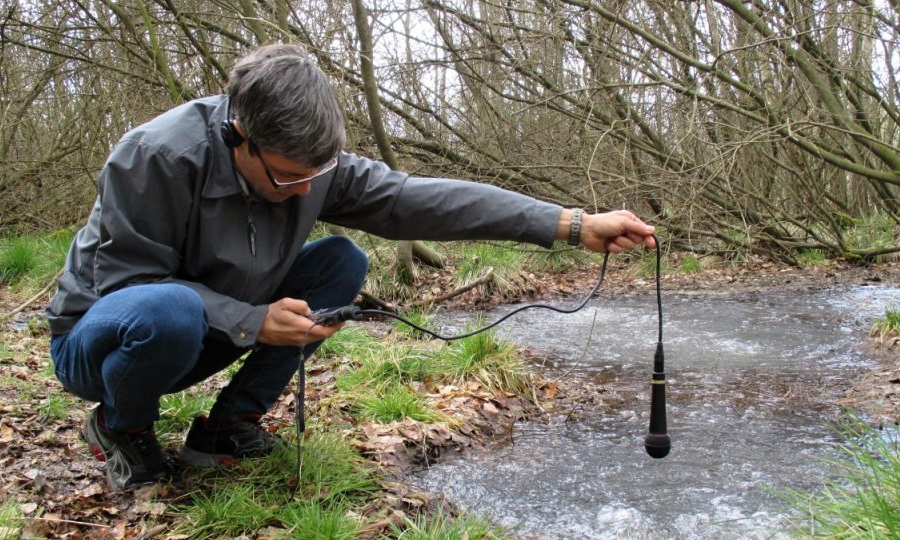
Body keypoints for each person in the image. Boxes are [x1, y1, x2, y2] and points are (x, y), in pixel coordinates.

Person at [45, 44, 656, 491]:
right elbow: (129, 289)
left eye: (316, 174)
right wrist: (254, 320)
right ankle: (121, 429)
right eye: (288, 175)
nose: (302, 189)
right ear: (239, 135)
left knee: (342, 260)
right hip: (100, 342)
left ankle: (229, 429)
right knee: (167, 307)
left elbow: (423, 200)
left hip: (206, 328)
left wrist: (572, 225)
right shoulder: (154, 157)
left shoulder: (309, 167)